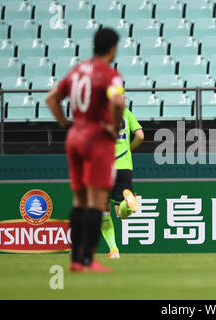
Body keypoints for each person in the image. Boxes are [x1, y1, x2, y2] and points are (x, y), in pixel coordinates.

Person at [46, 28, 126, 272]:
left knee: (79, 200)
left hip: (75, 137)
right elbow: (117, 101)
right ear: (112, 48)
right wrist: (113, 126)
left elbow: (51, 99)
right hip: (97, 139)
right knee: (97, 202)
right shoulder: (110, 75)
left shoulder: (78, 70)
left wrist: (65, 123)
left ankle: (74, 261)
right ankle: (88, 259)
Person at [101, 108, 144, 259]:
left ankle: (114, 249)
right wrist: (129, 149)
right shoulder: (126, 112)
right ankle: (128, 200)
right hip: (125, 165)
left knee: (104, 211)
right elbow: (140, 135)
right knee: (121, 213)